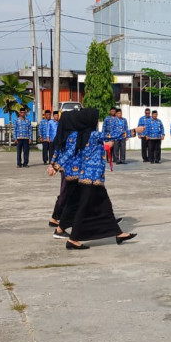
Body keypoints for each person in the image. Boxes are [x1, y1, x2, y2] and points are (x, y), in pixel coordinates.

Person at [48, 107, 140, 250]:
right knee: (83, 207)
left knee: (105, 207)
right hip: (91, 179)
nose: (97, 121)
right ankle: (73, 239)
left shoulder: (78, 136)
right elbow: (114, 135)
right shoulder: (93, 135)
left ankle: (118, 234)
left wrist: (55, 166)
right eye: (95, 119)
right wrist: (135, 131)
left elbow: (68, 153)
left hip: (91, 177)